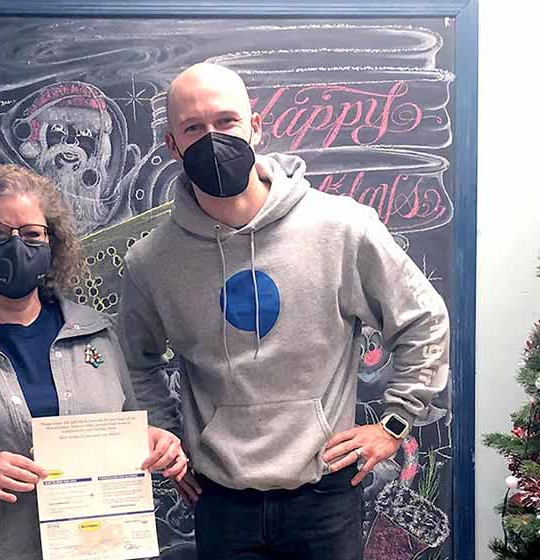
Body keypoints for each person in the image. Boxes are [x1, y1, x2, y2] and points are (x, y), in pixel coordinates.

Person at [117, 63, 450, 560]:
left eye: (226, 121)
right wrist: (170, 443)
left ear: (255, 126)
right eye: (193, 127)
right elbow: (135, 361)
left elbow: (423, 319)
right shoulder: (152, 261)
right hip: (220, 503)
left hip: (325, 497)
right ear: (172, 144)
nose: (212, 137)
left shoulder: (342, 228)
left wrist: (395, 424)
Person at [0, 162, 187, 560]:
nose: (15, 245)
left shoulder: (98, 333)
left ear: (52, 244)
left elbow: (131, 424)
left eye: (31, 234)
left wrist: (156, 440)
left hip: (103, 548)